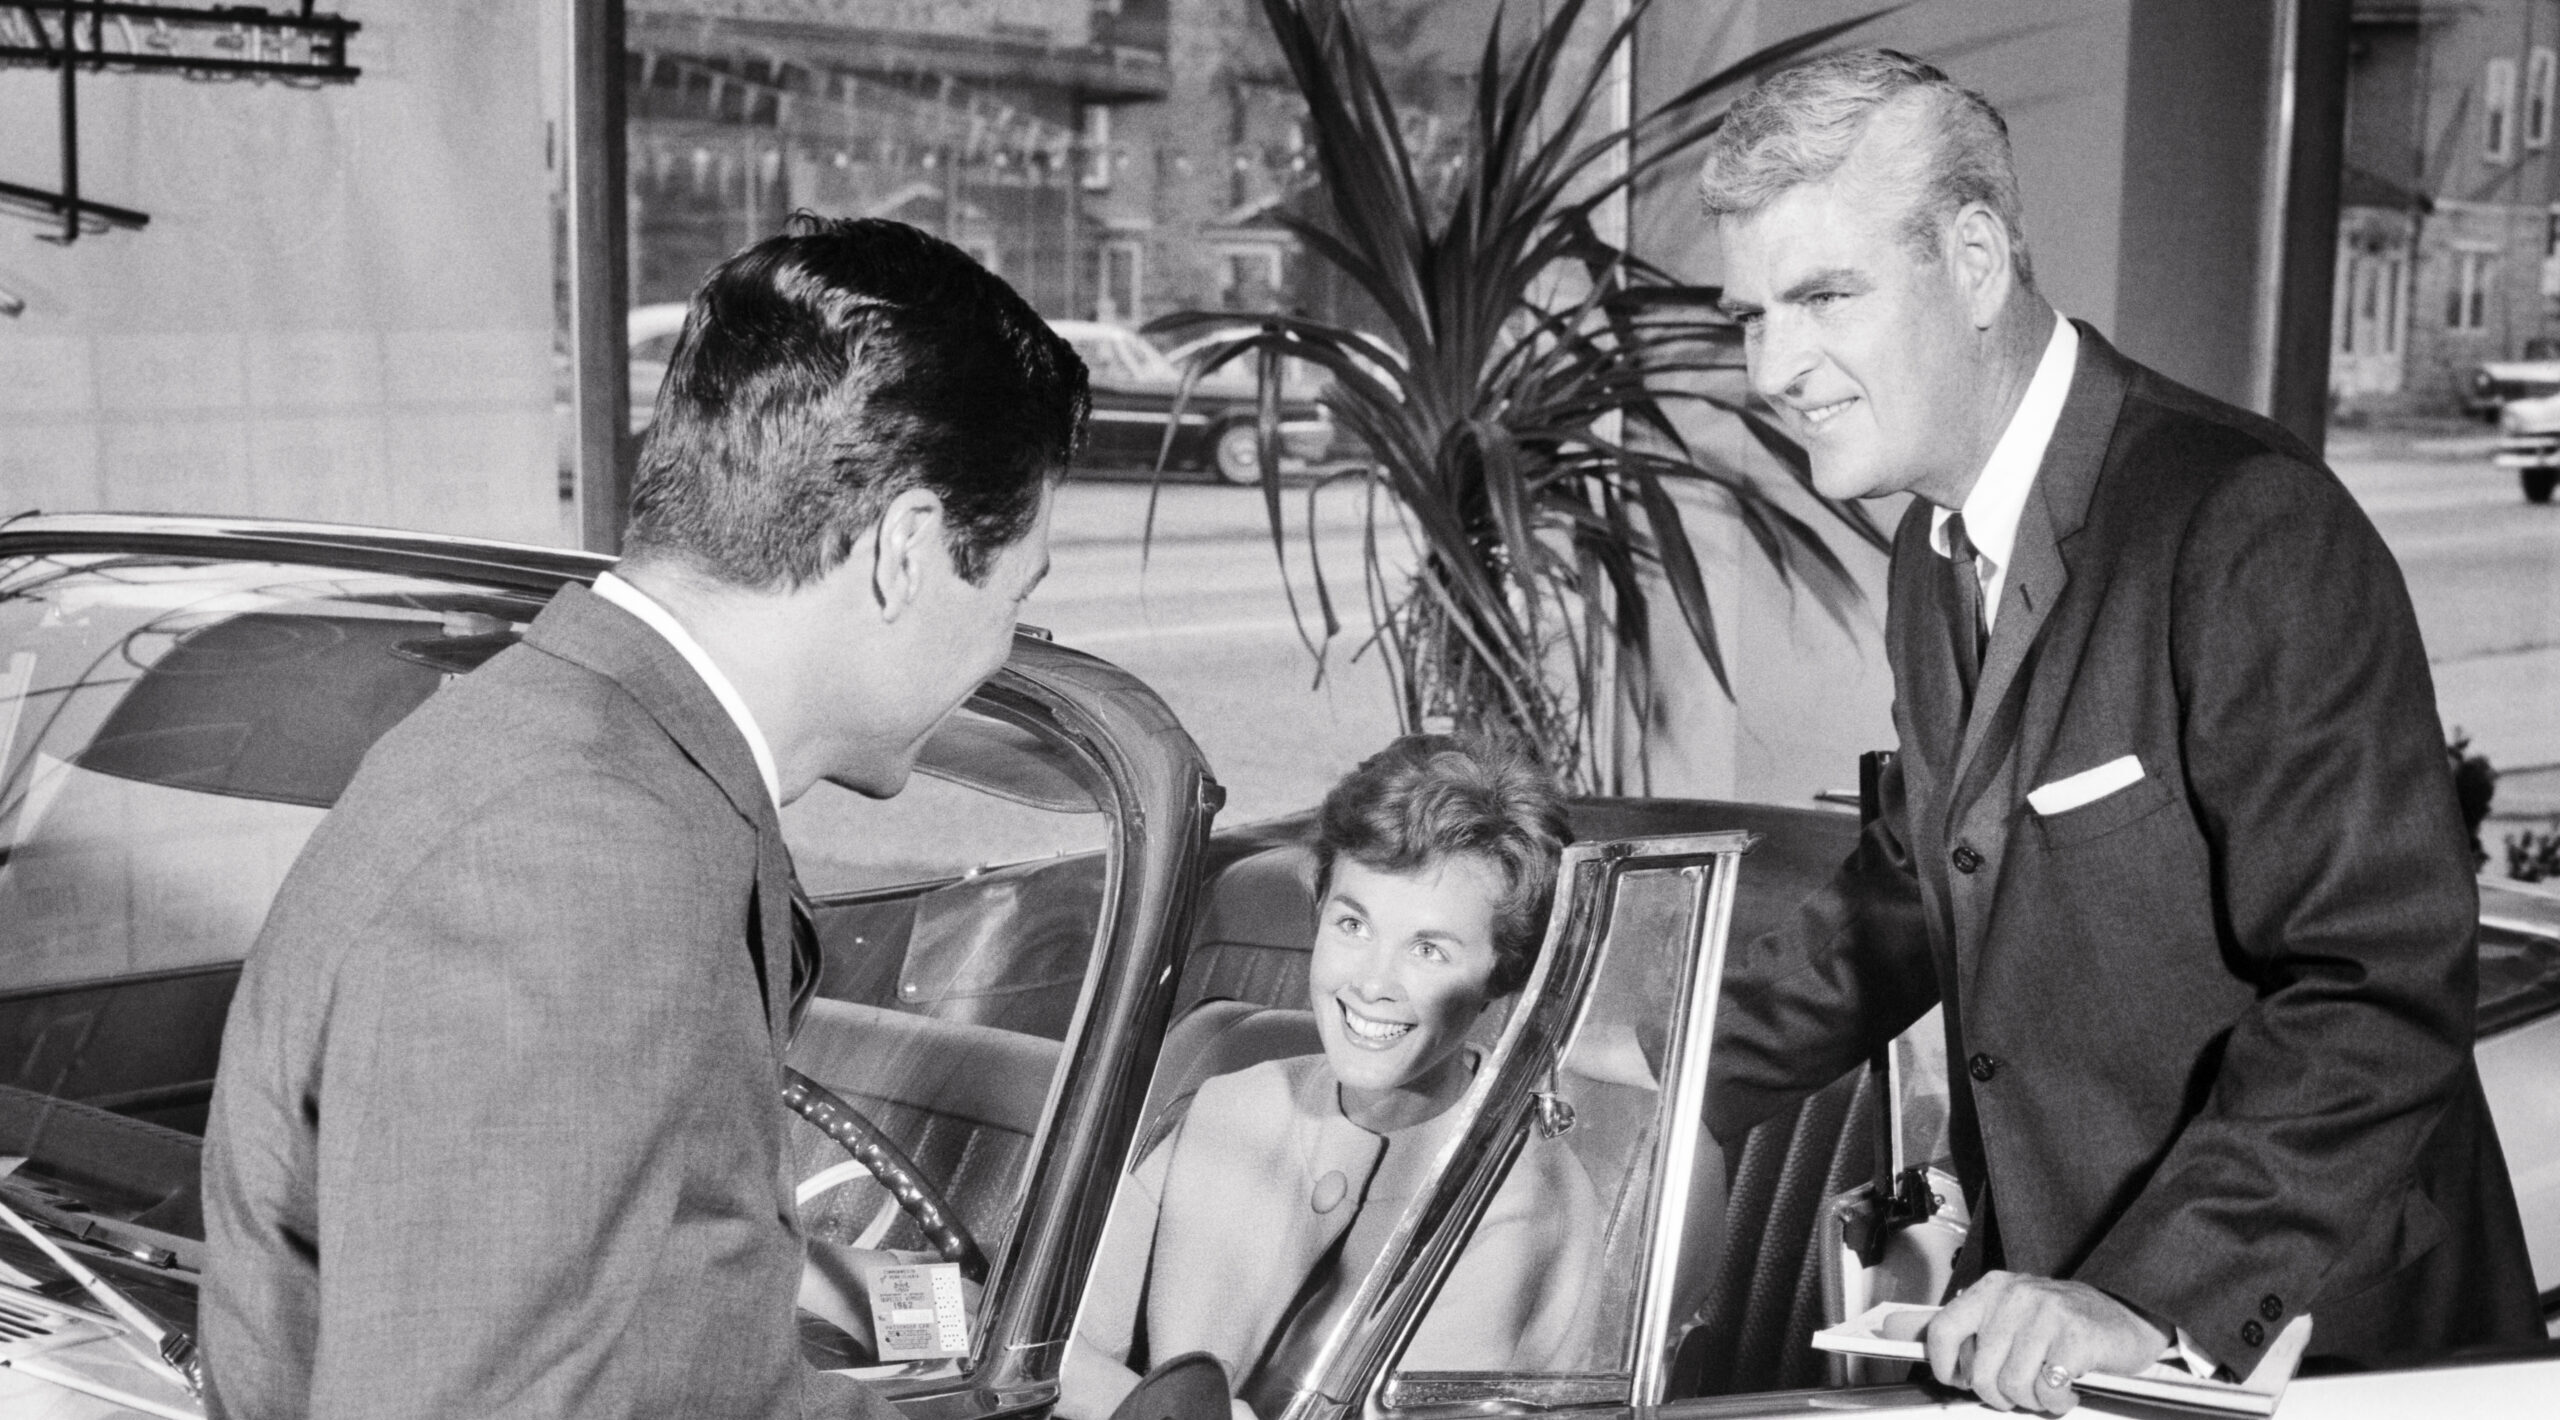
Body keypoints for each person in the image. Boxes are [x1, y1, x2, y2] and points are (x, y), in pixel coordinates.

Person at [1694, 50, 2540, 1414]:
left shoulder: (2245, 523)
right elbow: (1924, 884)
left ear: (1974, 262)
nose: (1775, 367)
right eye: (1750, 315)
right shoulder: (1932, 548)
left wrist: (2143, 1292)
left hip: (2313, 1345)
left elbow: (2377, 985)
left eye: (1825, 296)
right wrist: (1659, 1073)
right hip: (2065, 1337)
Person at [200, 216, 1088, 1419]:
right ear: (907, 551)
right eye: (1016, 594)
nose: (999, 651)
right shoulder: (574, 858)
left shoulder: (579, 761)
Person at [1058, 736, 1600, 1420]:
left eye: (1428, 949)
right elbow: (1054, 1346)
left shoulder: (1523, 1203)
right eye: (1353, 924)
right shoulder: (1230, 1107)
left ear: (1504, 971)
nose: (1373, 983)